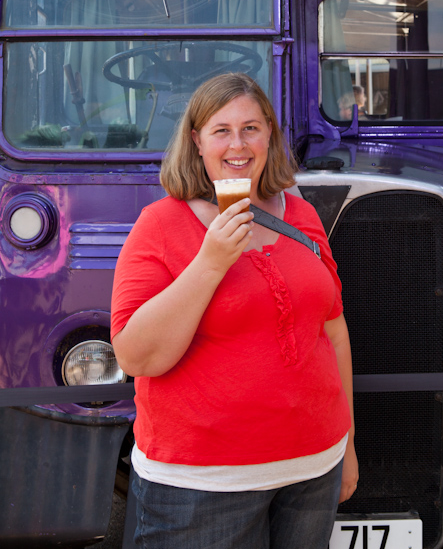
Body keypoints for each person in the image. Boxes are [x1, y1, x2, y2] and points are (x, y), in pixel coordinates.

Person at [111, 72, 358, 549]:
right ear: (196, 141)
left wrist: (346, 445)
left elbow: (334, 332)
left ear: (269, 134)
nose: (238, 144)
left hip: (312, 470)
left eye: (251, 127)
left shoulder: (300, 213)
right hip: (202, 486)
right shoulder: (160, 225)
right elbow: (137, 358)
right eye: (221, 130)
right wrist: (210, 262)